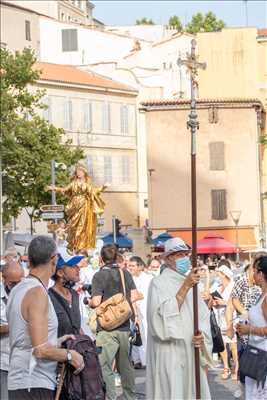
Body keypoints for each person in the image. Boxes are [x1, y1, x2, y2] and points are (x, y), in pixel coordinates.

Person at [7, 236, 84, 400]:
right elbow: (40, 350)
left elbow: (26, 339)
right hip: (33, 383)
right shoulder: (37, 293)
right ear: (54, 259)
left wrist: (56, 341)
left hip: (21, 381)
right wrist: (70, 355)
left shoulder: (18, 289)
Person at [146, 237, 213, 400]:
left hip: (190, 350)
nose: (184, 258)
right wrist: (185, 287)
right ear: (168, 258)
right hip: (169, 352)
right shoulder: (158, 283)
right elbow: (159, 320)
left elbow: (203, 317)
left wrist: (201, 336)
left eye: (186, 254)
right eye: (179, 255)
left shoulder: (192, 284)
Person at [90, 244, 138, 400]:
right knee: (126, 367)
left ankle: (110, 397)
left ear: (101, 259)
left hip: (107, 328)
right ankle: (130, 397)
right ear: (117, 257)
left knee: (105, 366)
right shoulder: (125, 274)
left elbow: (96, 302)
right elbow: (135, 295)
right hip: (125, 325)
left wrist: (87, 301)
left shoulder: (99, 276)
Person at [47, 163, 107, 251]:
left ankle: (82, 246)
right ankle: (74, 244)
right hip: (74, 206)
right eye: (77, 171)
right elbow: (64, 189)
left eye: (80, 171)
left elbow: (94, 191)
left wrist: (103, 187)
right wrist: (55, 188)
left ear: (84, 173)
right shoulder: (73, 183)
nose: (78, 173)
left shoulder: (87, 185)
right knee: (74, 224)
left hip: (85, 206)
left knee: (83, 226)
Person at [236, 255, 267, 400]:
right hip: (257, 354)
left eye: (254, 270)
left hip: (262, 358)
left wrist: (250, 330)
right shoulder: (262, 295)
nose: (252, 273)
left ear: (261, 274)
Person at [0, 261, 24, 400]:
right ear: (4, 278)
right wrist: (13, 326)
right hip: (4, 361)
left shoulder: (27, 293)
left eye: (19, 282)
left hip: (23, 362)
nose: (16, 286)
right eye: (12, 283)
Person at [48, 247, 84, 337]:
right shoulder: (48, 298)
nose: (78, 268)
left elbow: (77, 327)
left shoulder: (74, 294)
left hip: (76, 349)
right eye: (72, 266)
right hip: (58, 350)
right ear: (60, 273)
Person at [212, 265, 238, 380]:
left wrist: (224, 302)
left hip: (230, 319)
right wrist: (213, 302)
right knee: (222, 345)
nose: (217, 275)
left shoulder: (233, 286)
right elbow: (210, 296)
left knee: (233, 345)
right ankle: (226, 367)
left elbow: (236, 302)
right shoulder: (217, 286)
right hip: (219, 318)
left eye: (219, 273)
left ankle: (236, 369)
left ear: (224, 274)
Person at [128, 255, 152, 369]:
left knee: (146, 335)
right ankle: (136, 360)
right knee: (134, 336)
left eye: (132, 266)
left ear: (139, 267)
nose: (130, 268)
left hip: (146, 311)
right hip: (133, 311)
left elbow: (140, 295)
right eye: (129, 265)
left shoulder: (148, 278)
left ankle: (147, 361)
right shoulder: (129, 278)